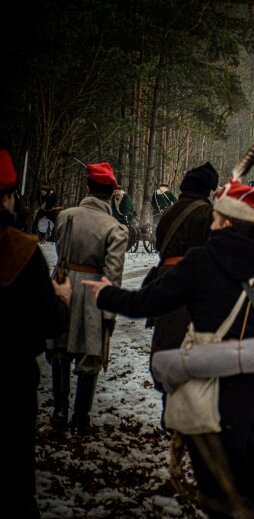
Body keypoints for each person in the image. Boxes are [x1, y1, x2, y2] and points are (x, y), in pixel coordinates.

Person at [82, 179, 254, 518]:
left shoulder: (199, 263)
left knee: (218, 503)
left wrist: (104, 293)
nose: (211, 222)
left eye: (216, 217)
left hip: (207, 401)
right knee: (253, 503)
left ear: (227, 221)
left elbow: (146, 303)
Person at [0, 149, 71, 518]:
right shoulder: (22, 251)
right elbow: (51, 322)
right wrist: (60, 299)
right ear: (8, 197)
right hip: (11, 378)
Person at [48, 162, 128, 434]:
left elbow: (60, 251)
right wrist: (110, 313)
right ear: (111, 192)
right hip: (95, 291)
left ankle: (59, 410)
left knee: (59, 351)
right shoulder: (115, 228)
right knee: (90, 357)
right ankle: (81, 418)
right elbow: (113, 274)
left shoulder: (65, 216)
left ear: (87, 188)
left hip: (62, 286)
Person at [148, 163, 219, 394]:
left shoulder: (169, 212)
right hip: (193, 283)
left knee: (165, 340)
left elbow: (160, 245)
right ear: (207, 189)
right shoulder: (208, 214)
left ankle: (168, 401)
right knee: (189, 343)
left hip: (164, 280)